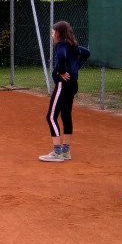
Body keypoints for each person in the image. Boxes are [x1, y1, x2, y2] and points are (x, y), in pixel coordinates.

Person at [39, 21, 90, 162]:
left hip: (63, 85)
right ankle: (65, 151)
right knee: (66, 115)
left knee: (51, 117)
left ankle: (57, 153)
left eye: (53, 32)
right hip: (73, 84)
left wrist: (62, 70)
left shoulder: (61, 44)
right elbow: (87, 53)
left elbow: (62, 57)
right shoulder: (73, 45)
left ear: (59, 33)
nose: (52, 34)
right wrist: (75, 68)